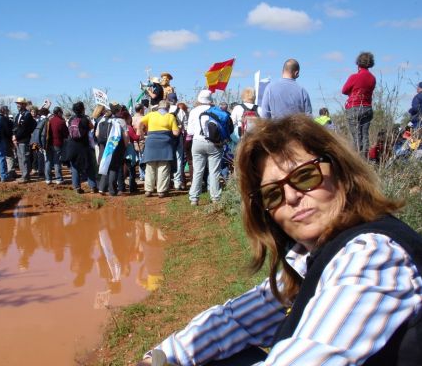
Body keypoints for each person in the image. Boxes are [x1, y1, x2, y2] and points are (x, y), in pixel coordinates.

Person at [138, 114, 422, 366]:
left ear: (341, 172)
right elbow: (236, 320)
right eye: (273, 194)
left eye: (305, 176)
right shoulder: (310, 259)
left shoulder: (372, 255)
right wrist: (159, 358)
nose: (292, 197)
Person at [187, 90, 223, 206]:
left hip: (197, 142)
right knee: (214, 172)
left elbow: (190, 131)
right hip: (214, 143)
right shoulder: (216, 110)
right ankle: (215, 197)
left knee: (198, 171)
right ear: (210, 99)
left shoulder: (193, 111)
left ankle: (194, 198)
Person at [140, 99, 180, 198]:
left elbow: (140, 123)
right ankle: (161, 191)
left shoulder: (151, 115)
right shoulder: (171, 116)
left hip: (151, 142)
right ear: (168, 108)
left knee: (150, 166)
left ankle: (148, 190)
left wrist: (141, 133)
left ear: (158, 107)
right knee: (163, 167)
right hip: (165, 144)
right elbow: (176, 133)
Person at [342, 51, 376, 158]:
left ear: (358, 63)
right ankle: (364, 161)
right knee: (365, 136)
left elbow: (344, 90)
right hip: (367, 107)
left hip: (354, 107)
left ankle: (356, 162)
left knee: (356, 137)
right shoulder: (372, 78)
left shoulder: (354, 77)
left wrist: (352, 93)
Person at [65, 103, 99, 193]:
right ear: (83, 109)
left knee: (75, 167)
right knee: (89, 166)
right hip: (83, 146)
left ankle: (77, 187)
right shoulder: (85, 119)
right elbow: (92, 127)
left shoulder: (71, 119)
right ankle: (93, 187)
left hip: (72, 146)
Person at [12, 97, 36, 183]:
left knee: (25, 158)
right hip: (17, 139)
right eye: (17, 103)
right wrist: (14, 135)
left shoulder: (27, 115)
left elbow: (24, 128)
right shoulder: (18, 115)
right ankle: (23, 175)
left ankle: (26, 176)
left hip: (23, 139)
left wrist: (16, 137)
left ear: (24, 105)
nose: (18, 105)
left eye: (20, 103)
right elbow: (15, 126)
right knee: (20, 158)